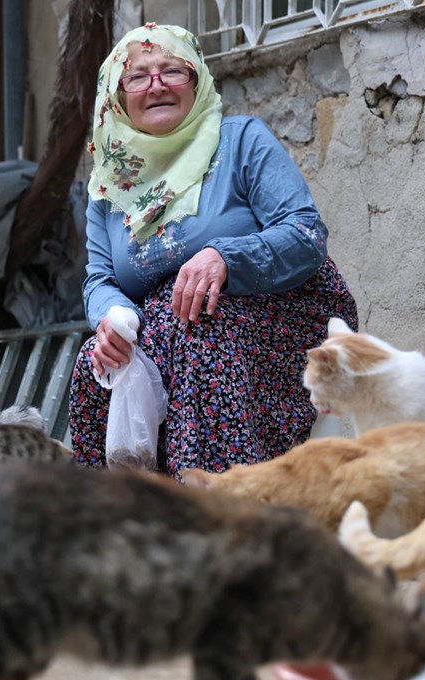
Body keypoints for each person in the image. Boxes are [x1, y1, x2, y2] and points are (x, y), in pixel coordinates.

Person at [67, 23, 358, 478]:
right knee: (95, 364)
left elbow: (305, 233)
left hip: (275, 312)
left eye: (172, 71)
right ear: (118, 97)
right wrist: (113, 320)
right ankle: (120, 520)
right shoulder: (109, 186)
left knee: (202, 334)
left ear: (196, 80)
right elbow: (100, 279)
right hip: (167, 327)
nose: (157, 85)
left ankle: (216, 509)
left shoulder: (241, 140)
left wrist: (225, 256)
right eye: (138, 76)